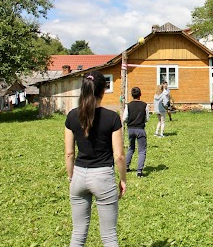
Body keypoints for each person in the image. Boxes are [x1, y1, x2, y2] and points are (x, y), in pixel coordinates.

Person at [64, 71, 126, 246]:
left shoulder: (71, 116)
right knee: (109, 236)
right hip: (103, 177)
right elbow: (119, 156)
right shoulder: (112, 117)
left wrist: (71, 177)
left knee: (78, 234)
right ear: (103, 90)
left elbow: (69, 153)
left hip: (78, 177)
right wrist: (123, 179)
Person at [123, 87, 149, 177]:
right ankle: (139, 171)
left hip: (130, 129)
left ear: (132, 95)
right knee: (142, 150)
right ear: (140, 95)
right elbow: (147, 118)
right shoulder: (145, 105)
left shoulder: (128, 105)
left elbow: (125, 118)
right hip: (140, 129)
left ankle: (126, 167)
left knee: (131, 148)